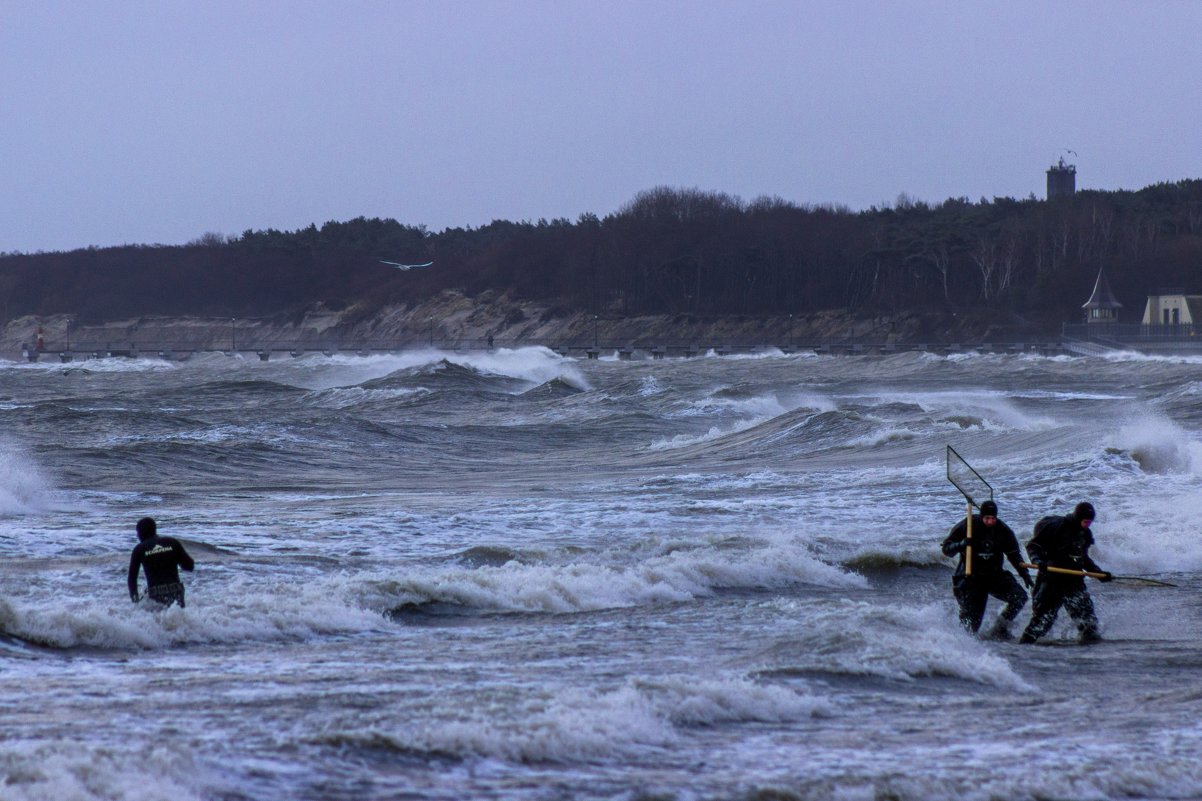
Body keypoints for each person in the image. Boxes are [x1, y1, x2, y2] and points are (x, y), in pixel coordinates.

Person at [1020, 502, 1113, 644]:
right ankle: (1023, 651)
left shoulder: (1085, 534)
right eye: (1086, 522)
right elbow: (1033, 546)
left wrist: (1099, 573)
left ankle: (1089, 655)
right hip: (1051, 580)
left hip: (1074, 582)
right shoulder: (1055, 527)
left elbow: (1083, 559)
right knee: (1042, 623)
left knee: (1088, 624)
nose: (1088, 525)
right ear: (1078, 518)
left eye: (1090, 522)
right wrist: (1037, 561)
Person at [941, 500, 1033, 640]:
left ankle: (999, 629)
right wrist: (961, 544)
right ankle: (956, 643)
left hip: (994, 576)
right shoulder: (969, 525)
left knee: (1019, 597)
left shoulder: (1002, 530)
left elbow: (1013, 554)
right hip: (970, 579)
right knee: (971, 627)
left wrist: (1025, 574)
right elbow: (946, 549)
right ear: (981, 516)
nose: (990, 522)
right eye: (987, 518)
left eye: (993, 518)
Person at [127, 517, 195, 608]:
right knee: (177, 617)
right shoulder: (172, 542)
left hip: (155, 593)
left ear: (141, 532)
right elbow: (189, 566)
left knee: (159, 620)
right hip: (176, 589)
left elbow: (132, 578)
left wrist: (135, 600)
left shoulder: (139, 549)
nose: (137, 536)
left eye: (137, 533)